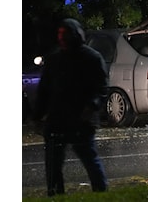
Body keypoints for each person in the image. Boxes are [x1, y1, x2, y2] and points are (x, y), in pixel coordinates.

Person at [31, 18, 109, 196]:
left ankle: (101, 192)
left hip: (81, 119)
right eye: (60, 35)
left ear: (76, 36)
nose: (62, 39)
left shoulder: (91, 58)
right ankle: (55, 193)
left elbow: (102, 88)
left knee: (89, 158)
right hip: (58, 118)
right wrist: (37, 116)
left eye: (65, 35)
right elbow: (45, 90)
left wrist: (91, 107)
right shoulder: (55, 59)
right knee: (53, 162)